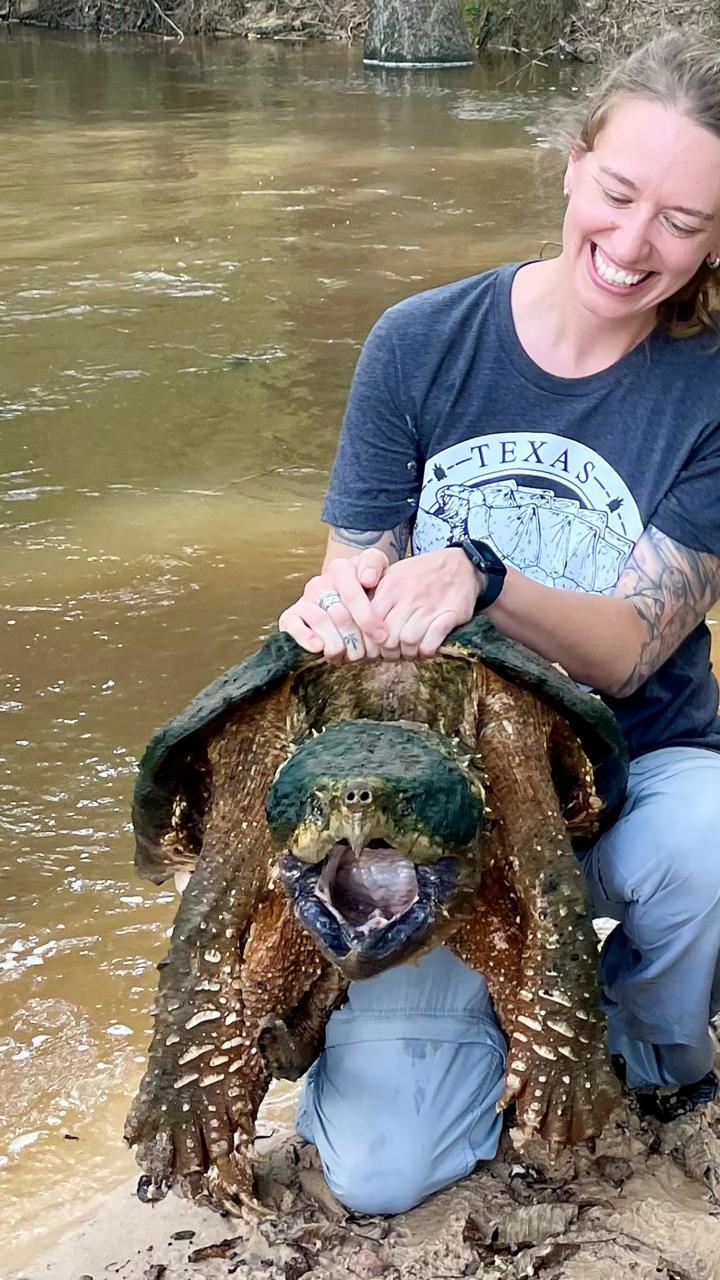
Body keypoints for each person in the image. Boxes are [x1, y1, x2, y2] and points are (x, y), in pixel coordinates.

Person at [279, 30, 720, 1216]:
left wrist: (482, 570)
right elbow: (355, 586)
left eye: (683, 221)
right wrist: (334, 608)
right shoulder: (419, 343)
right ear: (572, 165)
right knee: (384, 1171)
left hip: (635, 765)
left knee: (707, 839)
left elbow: (635, 644)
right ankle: (427, 1021)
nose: (635, 244)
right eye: (620, 194)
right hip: (445, 788)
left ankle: (650, 1060)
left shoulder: (713, 386)